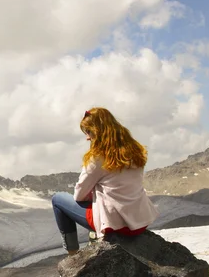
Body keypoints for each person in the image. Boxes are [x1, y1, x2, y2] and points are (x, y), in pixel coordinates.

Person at [51, 107, 159, 255]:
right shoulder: (136, 151)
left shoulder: (97, 158)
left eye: (88, 132)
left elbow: (79, 196)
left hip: (115, 225)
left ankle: (72, 253)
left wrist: (93, 190)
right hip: (139, 223)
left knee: (58, 199)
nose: (87, 138)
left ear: (97, 131)